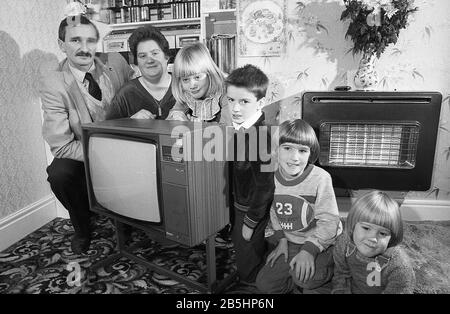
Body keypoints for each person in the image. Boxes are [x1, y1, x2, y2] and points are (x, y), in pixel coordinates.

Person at [40, 15, 133, 254]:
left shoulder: (116, 62)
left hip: (126, 149)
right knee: (58, 174)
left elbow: (137, 92)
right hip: (84, 154)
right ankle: (82, 226)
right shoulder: (54, 83)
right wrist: (102, 156)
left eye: (90, 40)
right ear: (62, 45)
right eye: (75, 40)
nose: (84, 48)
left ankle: (126, 219)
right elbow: (60, 146)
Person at [255, 119, 342, 294]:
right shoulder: (270, 177)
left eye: (302, 151)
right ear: (275, 151)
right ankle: (296, 280)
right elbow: (274, 211)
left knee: (307, 280)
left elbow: (330, 220)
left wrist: (310, 250)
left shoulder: (321, 178)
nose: (295, 158)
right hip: (291, 240)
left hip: (322, 240)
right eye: (287, 148)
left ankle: (334, 270)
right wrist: (281, 240)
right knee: (264, 285)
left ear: (310, 154)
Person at [225, 64, 275, 284]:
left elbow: (266, 187)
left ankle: (255, 284)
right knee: (243, 248)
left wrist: (250, 222)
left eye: (244, 101)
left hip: (250, 210)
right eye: (231, 100)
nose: (235, 108)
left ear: (260, 103)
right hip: (240, 203)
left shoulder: (259, 137)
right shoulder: (240, 128)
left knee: (247, 255)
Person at [331, 190, 416, 294]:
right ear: (352, 225)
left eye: (382, 233)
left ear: (392, 237)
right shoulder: (343, 243)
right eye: (366, 228)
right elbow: (341, 274)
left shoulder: (400, 267)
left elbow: (400, 290)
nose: (372, 238)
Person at [106, 25, 176, 120]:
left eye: (155, 53)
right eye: (143, 56)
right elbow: (106, 130)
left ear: (166, 56)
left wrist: (187, 122)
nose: (149, 60)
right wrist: (130, 121)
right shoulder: (126, 94)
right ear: (137, 62)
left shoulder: (185, 87)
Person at [167, 42, 231, 124]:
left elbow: (227, 128)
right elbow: (172, 117)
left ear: (209, 73)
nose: (192, 85)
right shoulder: (187, 93)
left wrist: (201, 127)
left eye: (197, 77)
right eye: (185, 79)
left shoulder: (227, 91)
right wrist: (177, 116)